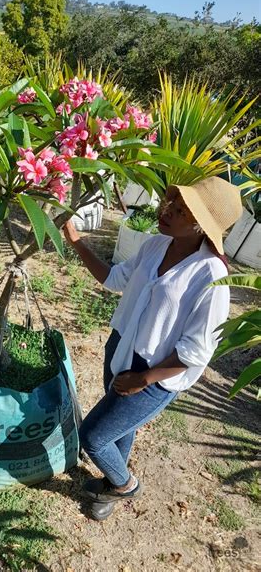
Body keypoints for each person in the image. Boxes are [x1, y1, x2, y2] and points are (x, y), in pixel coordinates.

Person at [63, 176, 243, 521]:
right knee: (119, 427)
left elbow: (196, 351)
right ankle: (113, 481)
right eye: (171, 203)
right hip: (121, 347)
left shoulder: (211, 276)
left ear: (201, 226)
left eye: (180, 210)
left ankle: (124, 483)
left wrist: (144, 378)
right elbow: (115, 279)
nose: (168, 211)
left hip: (156, 374)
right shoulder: (155, 245)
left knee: (93, 437)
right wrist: (76, 241)